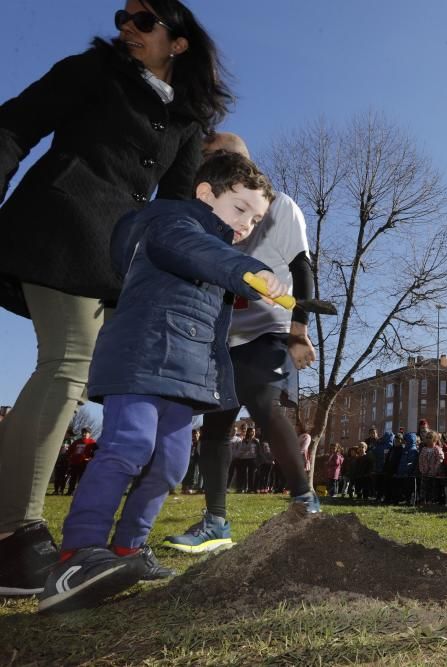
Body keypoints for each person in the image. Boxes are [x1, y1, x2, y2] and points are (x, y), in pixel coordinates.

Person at [0, 0, 232, 596]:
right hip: (57, 227)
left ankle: (115, 542)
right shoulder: (92, 72)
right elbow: (13, 124)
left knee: (97, 373)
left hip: (116, 264)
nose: (126, 27)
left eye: (143, 19)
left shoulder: (184, 119)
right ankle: (13, 537)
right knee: (68, 363)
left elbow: (175, 213)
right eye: (122, 17)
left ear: (177, 42)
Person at [38, 151, 286, 612]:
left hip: (181, 374)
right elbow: (190, 250)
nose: (246, 225)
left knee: (170, 465)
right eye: (240, 210)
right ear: (205, 193)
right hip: (140, 357)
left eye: (255, 220)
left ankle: (129, 549)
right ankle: (78, 553)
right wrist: (244, 271)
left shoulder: (218, 252)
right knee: (129, 447)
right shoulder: (171, 222)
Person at [162, 133, 320, 554]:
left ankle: (306, 502)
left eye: (223, 158)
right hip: (221, 334)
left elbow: (302, 269)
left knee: (261, 398)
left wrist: (299, 331)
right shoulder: (202, 212)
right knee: (215, 421)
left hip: (269, 328)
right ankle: (215, 521)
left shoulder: (278, 207)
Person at [66, 429, 99, 496]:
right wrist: (69, 458)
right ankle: (70, 492)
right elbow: (70, 450)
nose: (84, 434)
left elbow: (96, 453)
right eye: (83, 433)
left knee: (82, 479)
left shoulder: (92, 442)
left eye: (86, 433)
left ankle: (80, 493)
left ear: (89, 434)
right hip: (75, 463)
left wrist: (89, 458)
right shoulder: (76, 442)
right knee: (73, 478)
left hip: (84, 463)